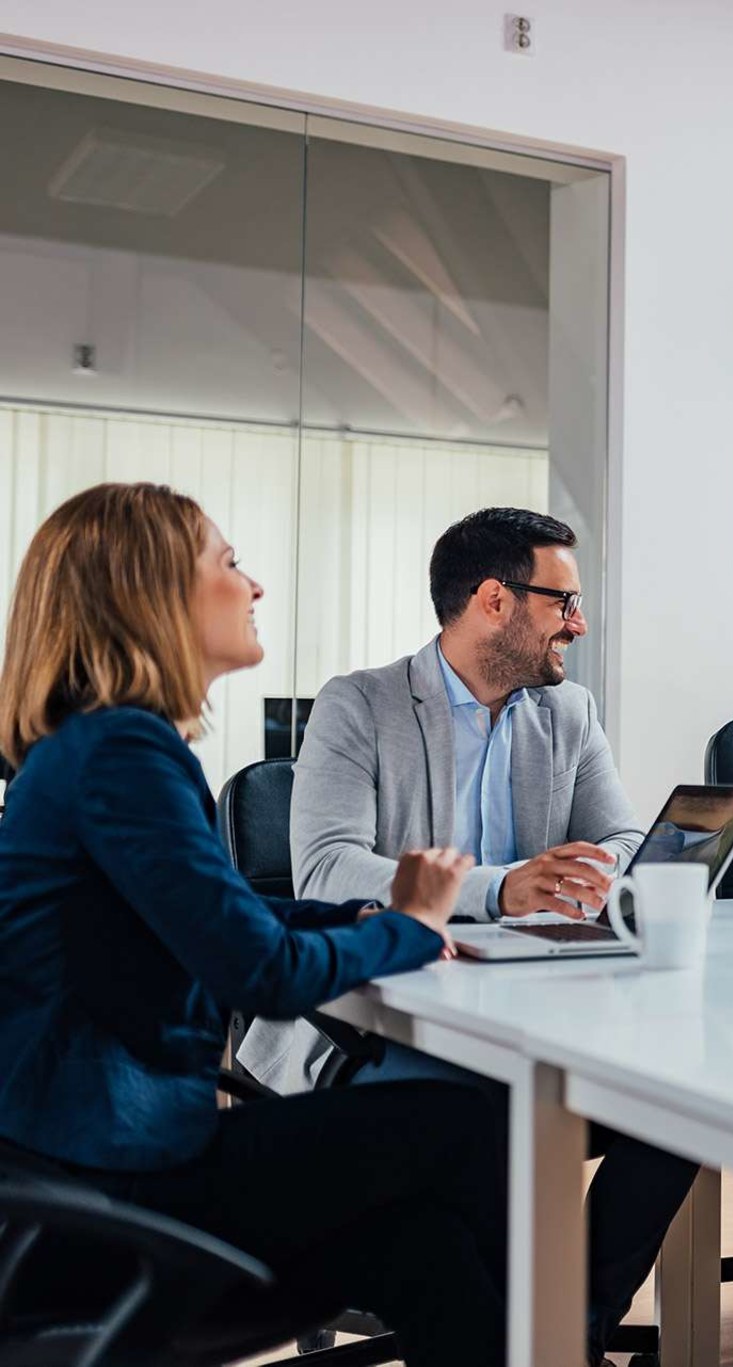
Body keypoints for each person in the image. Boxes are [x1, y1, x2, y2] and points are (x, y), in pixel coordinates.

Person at [0, 482, 502, 1366]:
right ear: (147, 592)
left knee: (427, 1249)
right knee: (472, 1124)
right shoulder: (123, 751)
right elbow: (257, 970)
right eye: (229, 563)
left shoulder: (90, 746)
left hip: (85, 1175)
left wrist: (365, 913)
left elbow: (216, 911)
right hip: (117, 1193)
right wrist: (414, 926)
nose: (255, 585)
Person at [235, 506, 700, 1363]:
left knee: (681, 1103)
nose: (580, 623)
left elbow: (625, 837)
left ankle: (571, 1329)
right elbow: (327, 871)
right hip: (376, 1024)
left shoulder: (568, 713)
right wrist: (499, 888)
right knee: (475, 1115)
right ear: (495, 599)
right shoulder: (360, 704)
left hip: (534, 1007)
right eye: (564, 602)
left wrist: (592, 871)